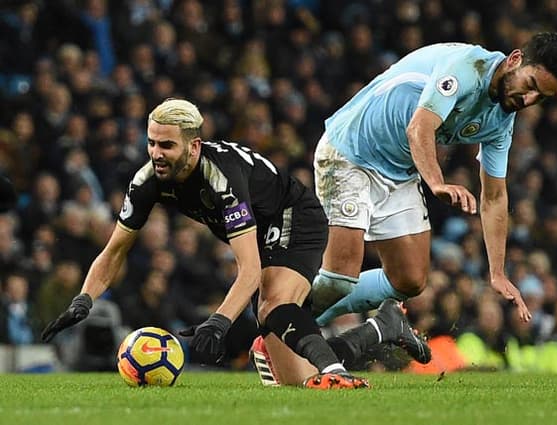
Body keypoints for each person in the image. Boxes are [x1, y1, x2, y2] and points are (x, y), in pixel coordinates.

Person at [40, 98, 428, 389]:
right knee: (296, 380)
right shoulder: (146, 182)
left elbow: (250, 270)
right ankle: (382, 327)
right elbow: (114, 252)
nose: (156, 153)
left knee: (272, 302)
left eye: (167, 146)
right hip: (262, 231)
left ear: (193, 147)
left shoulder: (221, 179)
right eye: (152, 143)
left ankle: (336, 374)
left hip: (295, 215)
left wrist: (219, 322)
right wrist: (84, 300)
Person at [311, 32, 557, 326]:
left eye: (541, 97)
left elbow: (494, 196)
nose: (529, 100)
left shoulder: (501, 121)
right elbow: (419, 128)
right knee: (340, 278)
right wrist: (437, 183)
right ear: (515, 60)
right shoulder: (466, 68)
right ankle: (283, 319)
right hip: (351, 151)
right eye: (530, 85)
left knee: (410, 279)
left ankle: (295, 319)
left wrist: (497, 272)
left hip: (399, 169)